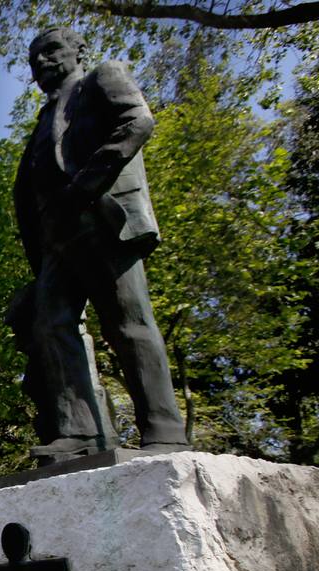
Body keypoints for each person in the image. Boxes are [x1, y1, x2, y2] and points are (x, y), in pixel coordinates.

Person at [12, 26, 190, 462]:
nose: (42, 62)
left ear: (78, 51)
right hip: (56, 241)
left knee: (127, 323)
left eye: (51, 51)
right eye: (35, 58)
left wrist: (84, 187)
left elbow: (137, 120)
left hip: (100, 218)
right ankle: (81, 432)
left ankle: (164, 431)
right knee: (50, 326)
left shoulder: (101, 79)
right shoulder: (41, 119)